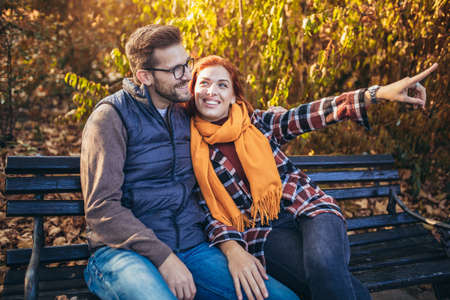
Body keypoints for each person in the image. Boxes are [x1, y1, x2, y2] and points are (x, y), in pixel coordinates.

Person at [187, 55, 438, 300]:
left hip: (308, 206)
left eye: (222, 85)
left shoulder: (258, 123)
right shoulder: (188, 147)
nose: (212, 91)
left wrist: (376, 94)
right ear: (193, 91)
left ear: (233, 96)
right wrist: (229, 245)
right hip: (264, 230)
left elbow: (312, 114)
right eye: (204, 83)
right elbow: (206, 209)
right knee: (326, 279)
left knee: (323, 264)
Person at [81, 25, 299, 300]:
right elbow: (102, 210)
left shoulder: (186, 114)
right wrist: (164, 258)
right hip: (122, 254)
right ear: (144, 76)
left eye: (187, 64)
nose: (188, 76)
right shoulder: (111, 117)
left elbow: (234, 119)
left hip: (192, 248)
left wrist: (272, 118)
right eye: (176, 70)